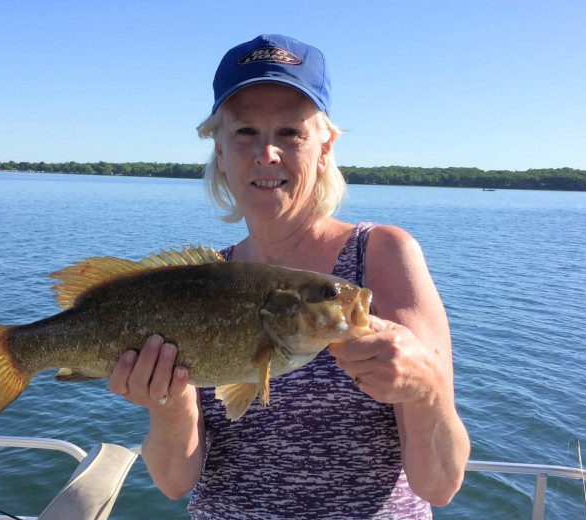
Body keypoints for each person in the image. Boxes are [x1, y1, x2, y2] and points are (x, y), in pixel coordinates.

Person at [108, 34, 470, 519]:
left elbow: (441, 485)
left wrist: (426, 389)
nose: (267, 154)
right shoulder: (200, 282)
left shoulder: (383, 255)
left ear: (325, 147)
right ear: (219, 148)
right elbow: (175, 483)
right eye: (245, 133)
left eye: (289, 133)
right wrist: (169, 401)